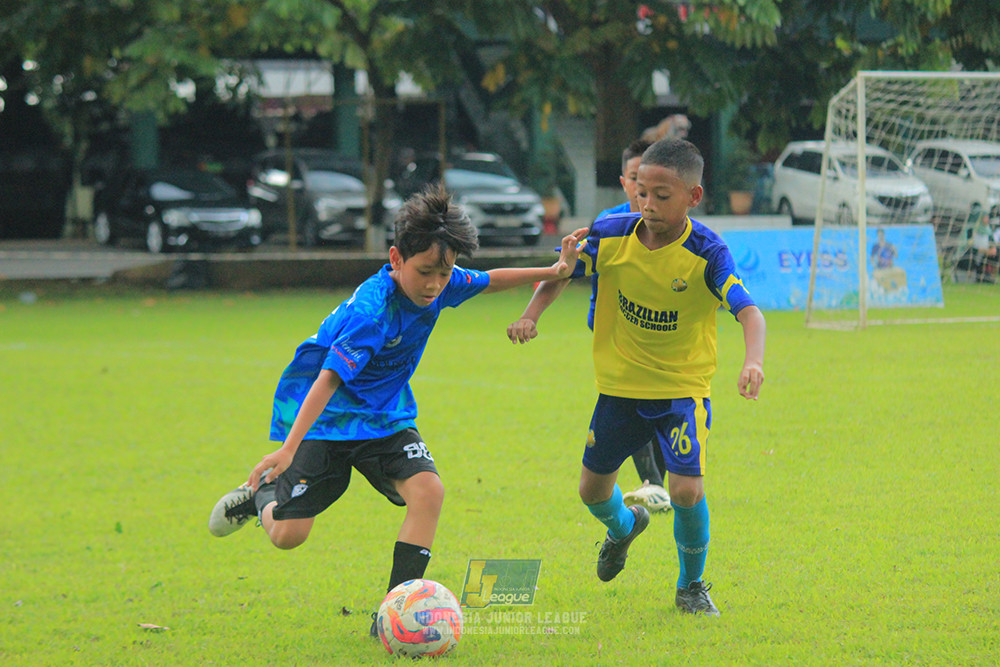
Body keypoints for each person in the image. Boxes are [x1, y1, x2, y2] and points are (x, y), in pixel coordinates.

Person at [208, 184, 588, 636]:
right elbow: (327, 380)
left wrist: (556, 268)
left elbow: (490, 279)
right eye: (425, 271)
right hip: (329, 422)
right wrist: (288, 450)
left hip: (387, 419)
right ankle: (262, 497)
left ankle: (392, 614)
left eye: (444, 273)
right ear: (395, 259)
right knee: (289, 537)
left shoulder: (443, 282)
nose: (434, 284)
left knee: (429, 492)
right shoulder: (372, 313)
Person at [508, 138, 766, 616]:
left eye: (662, 196)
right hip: (619, 391)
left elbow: (749, 312)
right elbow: (563, 271)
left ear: (694, 196)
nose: (648, 205)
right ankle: (625, 527)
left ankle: (692, 586)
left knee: (687, 490)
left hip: (682, 393)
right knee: (591, 491)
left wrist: (753, 360)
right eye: (641, 192)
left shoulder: (708, 252)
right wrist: (532, 313)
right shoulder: (610, 233)